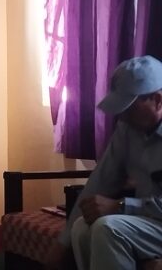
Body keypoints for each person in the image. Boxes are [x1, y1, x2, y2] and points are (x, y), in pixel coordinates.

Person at [44, 55, 162, 270]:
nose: (122, 116)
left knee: (109, 228)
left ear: (158, 100)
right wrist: (62, 243)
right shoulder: (128, 130)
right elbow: (100, 181)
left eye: (129, 108)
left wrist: (120, 206)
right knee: (82, 227)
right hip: (151, 221)